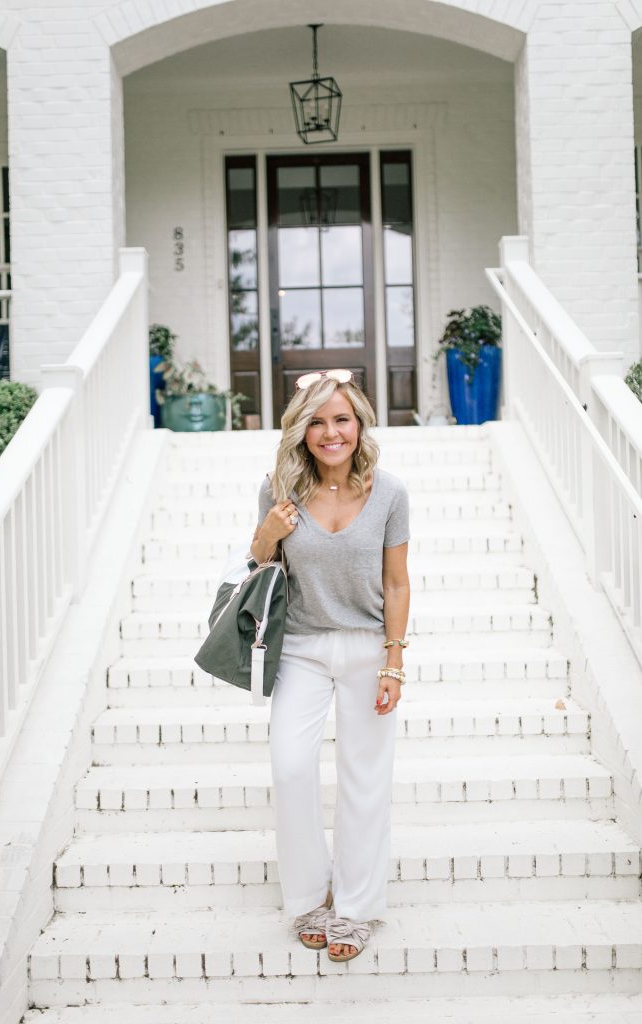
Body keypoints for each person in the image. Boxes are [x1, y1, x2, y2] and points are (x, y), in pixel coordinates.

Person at [247, 369, 411, 963]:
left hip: (367, 646)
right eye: (315, 421)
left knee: (364, 777)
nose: (330, 432)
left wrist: (393, 661)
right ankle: (310, 896)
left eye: (341, 419)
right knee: (292, 766)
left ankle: (357, 907)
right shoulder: (279, 488)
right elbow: (258, 564)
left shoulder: (389, 493)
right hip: (301, 647)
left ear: (359, 424)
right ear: (300, 429)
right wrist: (267, 532)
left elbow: (396, 582)